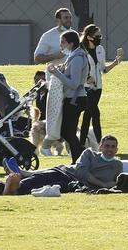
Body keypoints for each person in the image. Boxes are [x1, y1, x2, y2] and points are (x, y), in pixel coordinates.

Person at [0, 134, 123, 195]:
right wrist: (103, 184)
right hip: (65, 173)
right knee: (41, 178)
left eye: (113, 147)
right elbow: (81, 172)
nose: (110, 149)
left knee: (49, 186)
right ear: (100, 147)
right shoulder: (89, 153)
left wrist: (106, 185)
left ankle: (9, 187)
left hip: (73, 185)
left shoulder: (117, 165)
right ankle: (13, 184)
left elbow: (115, 183)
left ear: (117, 150)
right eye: (107, 146)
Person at [34, 8, 74, 155]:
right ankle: (46, 145)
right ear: (58, 20)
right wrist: (54, 56)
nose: (69, 21)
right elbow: (37, 58)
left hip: (71, 81)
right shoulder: (48, 36)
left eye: (70, 18)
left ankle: (70, 147)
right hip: (55, 81)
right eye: (65, 18)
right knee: (56, 115)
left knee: (70, 115)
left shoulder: (73, 35)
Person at [47, 29, 89, 163]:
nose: (61, 46)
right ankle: (80, 158)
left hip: (75, 99)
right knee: (67, 131)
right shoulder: (73, 57)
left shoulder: (77, 58)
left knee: (68, 131)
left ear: (71, 43)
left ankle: (79, 159)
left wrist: (57, 74)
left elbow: (74, 84)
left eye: (63, 42)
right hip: (72, 98)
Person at [78, 24, 121, 147]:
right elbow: (77, 69)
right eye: (97, 36)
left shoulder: (100, 49)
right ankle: (101, 144)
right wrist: (86, 78)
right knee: (96, 114)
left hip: (98, 87)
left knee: (88, 116)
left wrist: (115, 63)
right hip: (86, 87)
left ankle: (81, 145)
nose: (99, 38)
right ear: (89, 37)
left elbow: (103, 69)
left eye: (100, 36)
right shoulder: (80, 50)